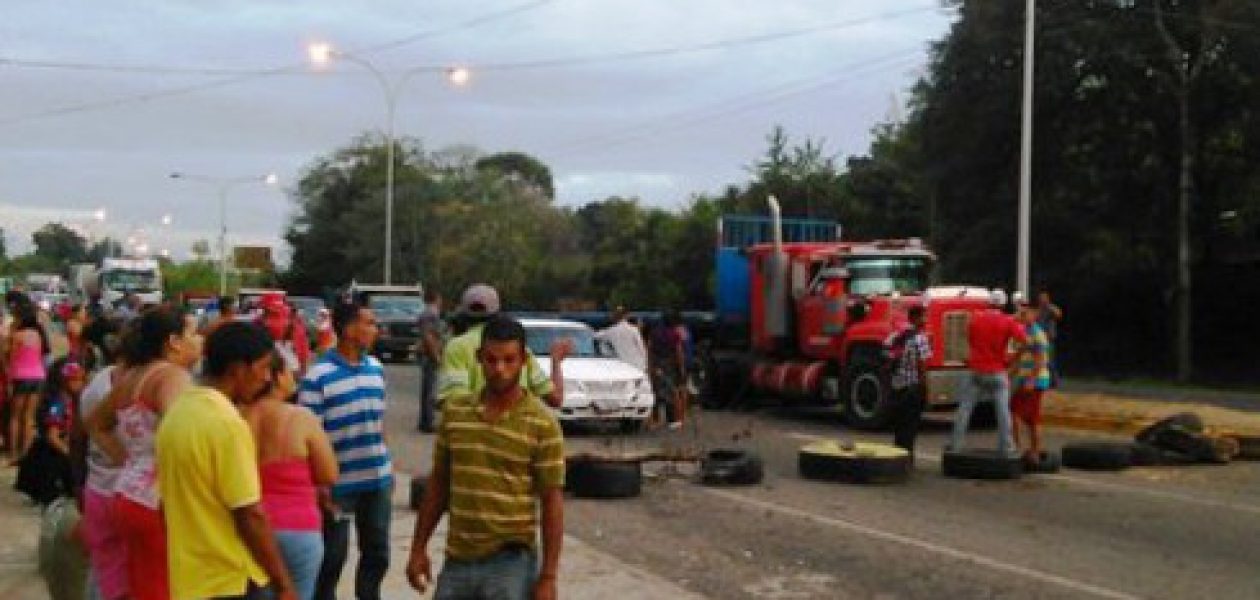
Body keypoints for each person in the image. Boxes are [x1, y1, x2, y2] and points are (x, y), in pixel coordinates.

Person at [406, 315, 565, 600]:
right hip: (458, 560)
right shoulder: (456, 414)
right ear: (479, 358)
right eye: (491, 360)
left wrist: (549, 577)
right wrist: (419, 548)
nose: (500, 369)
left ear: (524, 361)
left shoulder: (542, 424)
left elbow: (552, 500)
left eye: (509, 360)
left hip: (511, 563)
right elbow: (439, 484)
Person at [156, 322, 297, 600]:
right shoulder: (227, 424)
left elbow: (164, 505)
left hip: (190, 579)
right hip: (229, 578)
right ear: (238, 369)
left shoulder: (178, 413)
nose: (268, 378)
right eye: (264, 367)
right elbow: (249, 513)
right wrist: (283, 584)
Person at [85, 306, 202, 600]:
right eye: (193, 333)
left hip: (128, 493)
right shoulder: (172, 377)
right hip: (159, 502)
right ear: (174, 341)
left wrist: (130, 460)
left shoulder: (132, 377)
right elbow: (183, 434)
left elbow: (96, 424)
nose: (199, 339)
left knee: (143, 585)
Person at [300, 301, 393, 600]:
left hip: (376, 482)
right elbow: (308, 436)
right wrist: (318, 485)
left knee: (377, 553)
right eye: (369, 323)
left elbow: (379, 423)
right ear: (350, 329)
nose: (375, 329)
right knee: (331, 559)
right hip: (336, 487)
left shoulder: (376, 369)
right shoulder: (319, 377)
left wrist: (387, 467)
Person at [242, 354, 339, 600]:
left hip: (252, 527)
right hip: (299, 527)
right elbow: (329, 473)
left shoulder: (239, 418)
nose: (295, 377)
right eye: (289, 371)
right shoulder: (300, 418)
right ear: (274, 377)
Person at [437, 284, 570, 409]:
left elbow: (454, 403)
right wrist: (556, 361)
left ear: (463, 315)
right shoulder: (518, 350)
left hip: (474, 431)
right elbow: (555, 399)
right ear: (498, 313)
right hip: (518, 431)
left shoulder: (456, 347)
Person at [79, 338, 133, 600]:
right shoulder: (129, 389)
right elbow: (86, 430)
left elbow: (81, 435)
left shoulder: (102, 380)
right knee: (114, 573)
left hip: (101, 488)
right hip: (117, 491)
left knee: (104, 569)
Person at [950, 290, 1028, 456]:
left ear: (989, 302)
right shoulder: (1008, 321)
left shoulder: (975, 319)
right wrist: (1011, 358)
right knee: (1003, 412)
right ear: (1003, 304)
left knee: (964, 409)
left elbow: (970, 340)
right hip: (997, 370)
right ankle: (1006, 448)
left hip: (975, 370)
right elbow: (1024, 342)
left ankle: (955, 445)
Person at [15, 359, 84, 505]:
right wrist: (70, 454)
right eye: (76, 379)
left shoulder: (69, 400)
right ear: (64, 381)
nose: (81, 383)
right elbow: (52, 437)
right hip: (52, 456)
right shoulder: (58, 404)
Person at [885, 304, 932, 457]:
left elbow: (886, 354)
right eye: (922, 317)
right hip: (913, 389)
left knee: (899, 427)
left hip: (897, 387)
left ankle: (896, 458)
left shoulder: (896, 336)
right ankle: (907, 459)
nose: (925, 320)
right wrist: (926, 389)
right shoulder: (920, 339)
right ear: (915, 318)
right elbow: (922, 366)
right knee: (910, 428)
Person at [8, 297, 50, 464]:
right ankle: (26, 454)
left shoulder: (17, 336)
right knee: (29, 417)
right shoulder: (37, 335)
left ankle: (13, 454)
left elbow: (12, 359)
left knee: (15, 417)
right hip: (38, 376)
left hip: (21, 376)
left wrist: (10, 380)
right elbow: (39, 356)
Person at [1011, 298, 1052, 465]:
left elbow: (1042, 360)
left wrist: (1031, 379)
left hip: (1034, 381)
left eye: (1025, 313)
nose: (1021, 315)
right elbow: (1018, 357)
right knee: (1017, 414)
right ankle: (1018, 447)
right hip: (1023, 378)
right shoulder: (1023, 332)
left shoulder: (1037, 334)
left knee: (1031, 418)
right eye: (1020, 312)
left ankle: (1033, 450)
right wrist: (1010, 374)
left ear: (1035, 314)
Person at [648, 311, 686, 429]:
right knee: (670, 391)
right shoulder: (674, 334)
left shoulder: (654, 333)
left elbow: (650, 349)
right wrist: (682, 368)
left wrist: (650, 365)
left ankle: (655, 419)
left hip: (656, 364)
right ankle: (671, 420)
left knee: (656, 391)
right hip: (669, 364)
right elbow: (678, 352)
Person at [416, 290, 447, 433]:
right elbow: (429, 336)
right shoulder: (431, 314)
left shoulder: (427, 313)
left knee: (427, 388)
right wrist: (436, 355)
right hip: (430, 355)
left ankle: (425, 420)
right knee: (430, 389)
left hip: (428, 354)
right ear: (436, 298)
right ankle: (428, 422)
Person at [260, 293, 311, 374]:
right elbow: (304, 356)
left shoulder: (258, 325)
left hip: (270, 373)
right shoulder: (296, 326)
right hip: (292, 372)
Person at [595, 306, 647, 372]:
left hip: (622, 366)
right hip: (638, 365)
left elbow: (595, 336)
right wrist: (645, 364)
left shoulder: (611, 331)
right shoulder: (633, 329)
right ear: (626, 316)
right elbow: (641, 348)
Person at [1036, 289, 1063, 386]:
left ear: (1047, 299)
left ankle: (1055, 382)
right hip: (1040, 339)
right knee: (1042, 361)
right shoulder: (1038, 310)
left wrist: (1049, 306)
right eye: (1040, 298)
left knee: (1050, 361)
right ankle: (1048, 381)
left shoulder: (1050, 309)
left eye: (1044, 298)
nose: (1042, 300)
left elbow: (1059, 314)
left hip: (1049, 339)